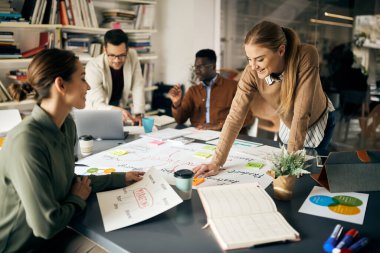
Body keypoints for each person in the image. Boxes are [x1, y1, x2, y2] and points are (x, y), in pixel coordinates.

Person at [0, 48, 144, 253]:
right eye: (82, 78)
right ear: (61, 84)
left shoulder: (67, 125)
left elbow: (72, 182)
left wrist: (121, 178)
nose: (88, 86)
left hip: (53, 237)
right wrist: (76, 200)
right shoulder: (26, 142)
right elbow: (45, 226)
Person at [193, 21, 336, 178]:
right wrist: (217, 161)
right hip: (288, 123)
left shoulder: (306, 55)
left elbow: (302, 113)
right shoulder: (251, 72)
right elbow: (235, 116)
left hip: (316, 121)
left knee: (308, 174)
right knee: (286, 173)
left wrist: (288, 165)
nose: (253, 66)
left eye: (260, 59)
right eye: (249, 59)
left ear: (281, 50)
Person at [168, 49, 253, 130]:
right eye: (195, 67)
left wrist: (219, 125)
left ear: (213, 67)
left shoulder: (233, 87)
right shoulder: (193, 91)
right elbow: (180, 120)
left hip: (223, 134)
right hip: (197, 135)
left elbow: (247, 116)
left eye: (200, 67)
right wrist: (176, 103)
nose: (196, 71)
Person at [85, 29, 145, 125]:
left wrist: (138, 113)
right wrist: (114, 110)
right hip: (96, 114)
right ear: (105, 50)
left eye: (121, 55)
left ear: (127, 50)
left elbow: (138, 85)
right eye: (112, 55)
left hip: (117, 112)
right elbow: (97, 104)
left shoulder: (132, 55)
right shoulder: (93, 66)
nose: (117, 60)